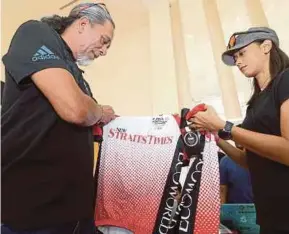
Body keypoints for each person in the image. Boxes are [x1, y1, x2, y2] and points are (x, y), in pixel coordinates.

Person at [1, 3, 116, 234]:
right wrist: (100, 112)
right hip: (33, 213)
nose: (104, 51)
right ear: (83, 24)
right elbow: (77, 110)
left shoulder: (77, 76)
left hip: (74, 213)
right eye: (104, 40)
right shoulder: (35, 33)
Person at [189, 27, 289, 234]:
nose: (238, 61)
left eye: (242, 53)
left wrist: (224, 126)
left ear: (266, 46)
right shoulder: (255, 104)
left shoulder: (285, 80)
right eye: (235, 57)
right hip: (270, 213)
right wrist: (216, 136)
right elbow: (249, 161)